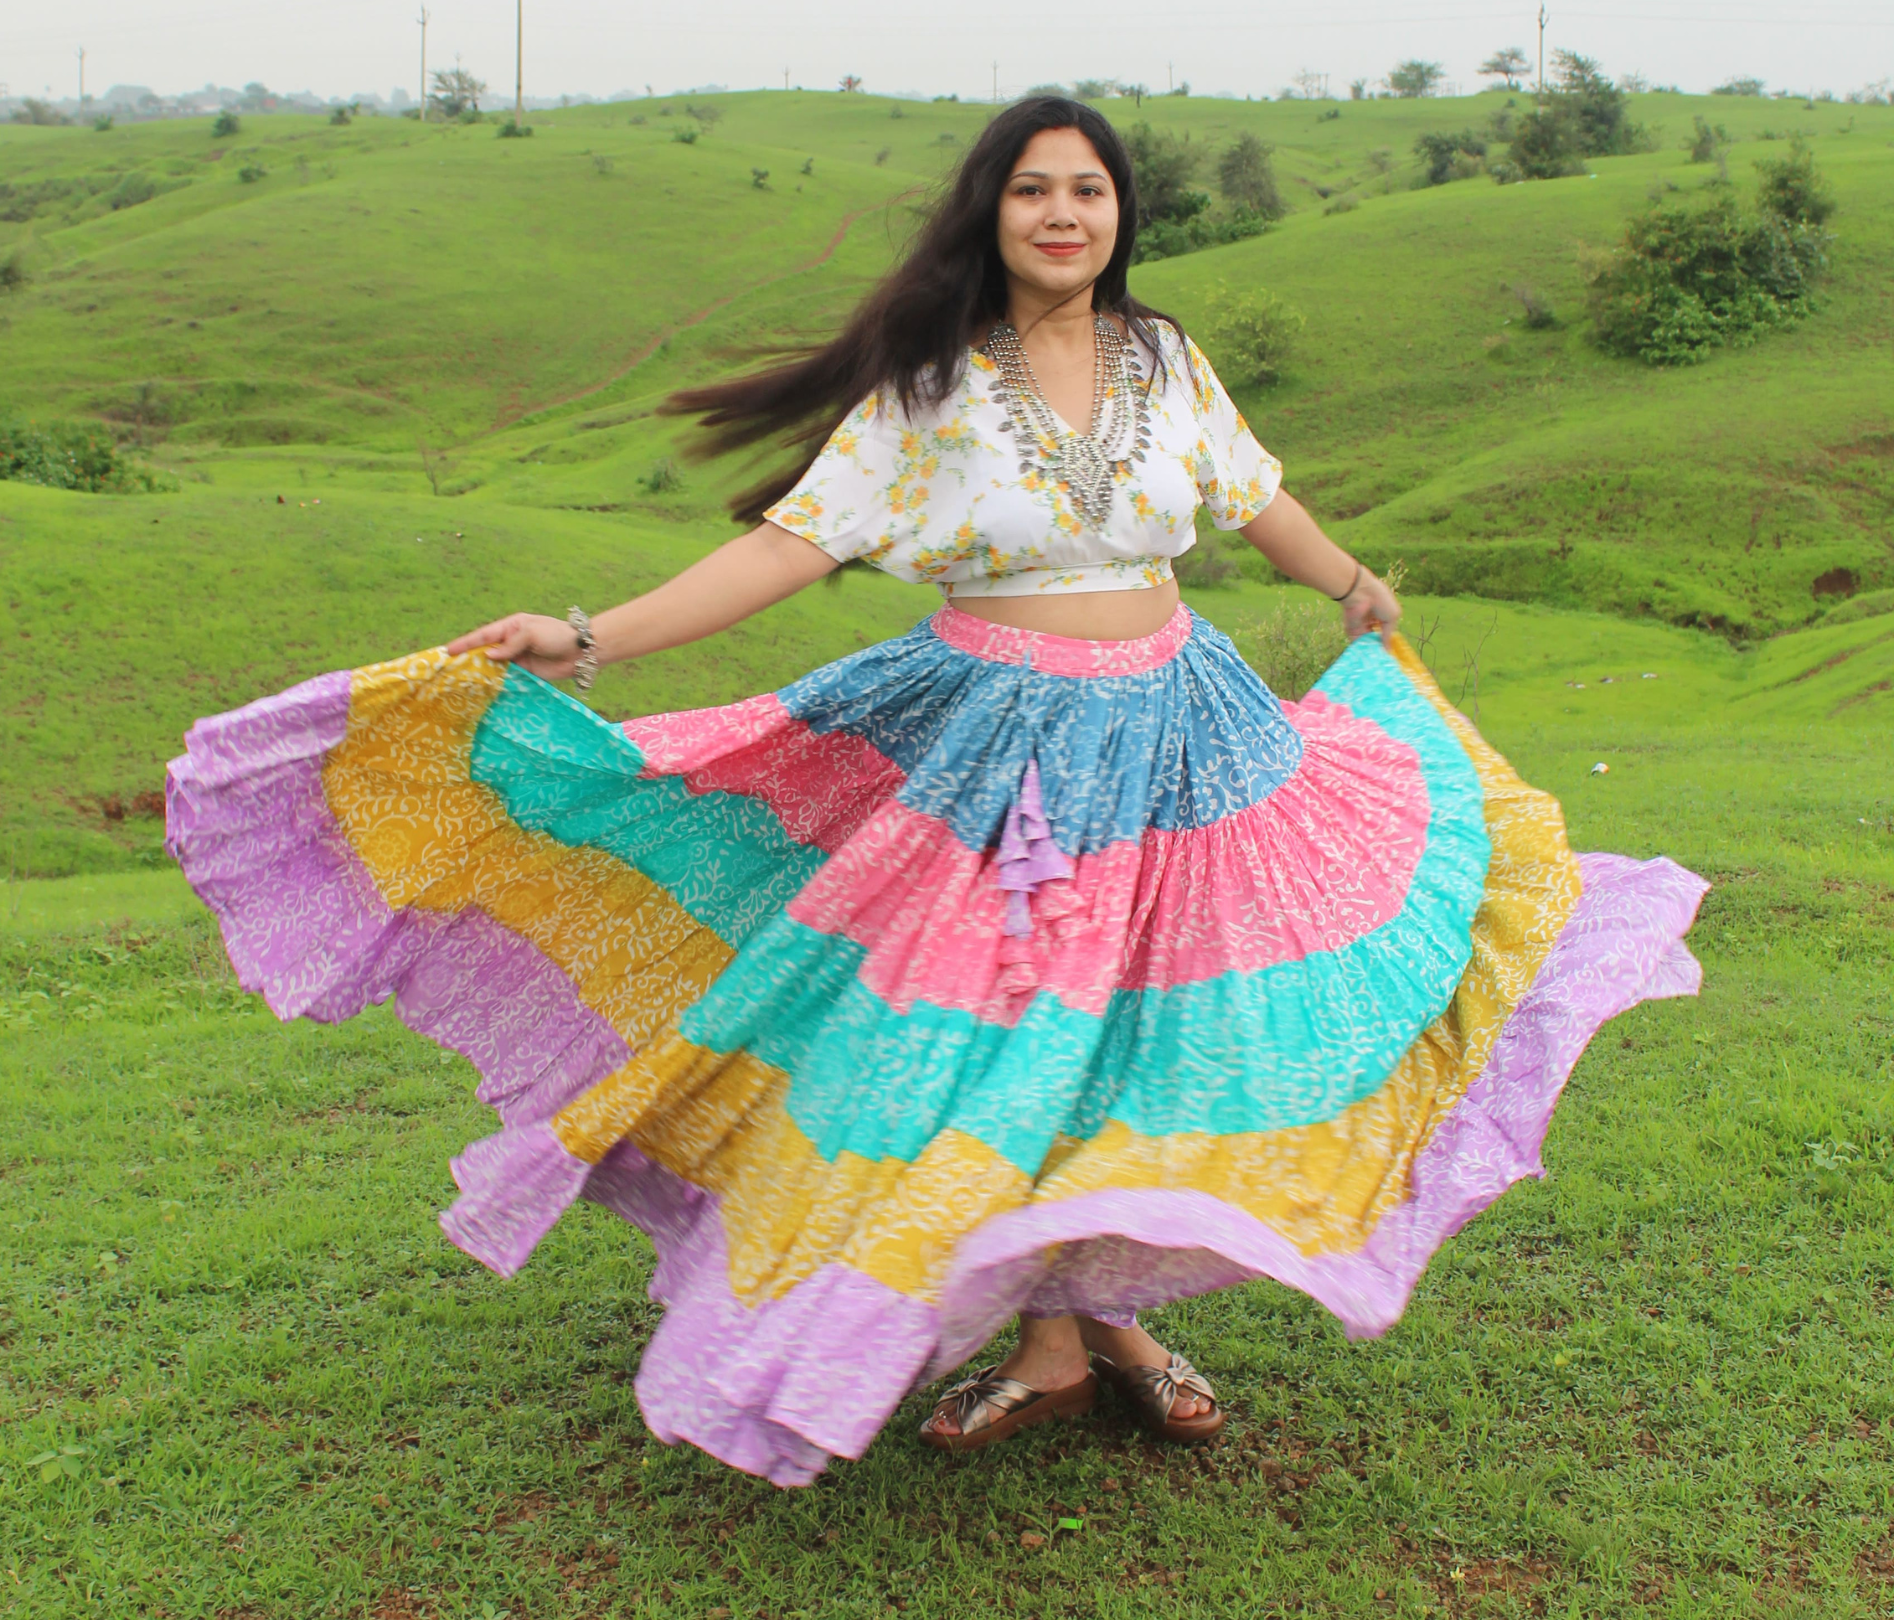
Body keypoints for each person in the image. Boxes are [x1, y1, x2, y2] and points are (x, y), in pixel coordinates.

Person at [166, 96, 1706, 1488]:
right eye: (1031, 190)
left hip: (1192, 741)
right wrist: (586, 638)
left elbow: (1250, 496)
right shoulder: (929, 386)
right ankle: (1069, 1340)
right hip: (993, 761)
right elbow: (787, 542)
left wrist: (1356, 584)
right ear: (990, 213)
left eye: (1087, 191)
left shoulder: (1164, 358)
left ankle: (1083, 1331)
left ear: (1120, 215)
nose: (1061, 215)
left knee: (1150, 1041)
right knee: (1007, 1048)